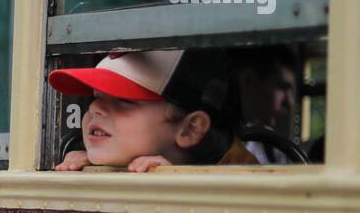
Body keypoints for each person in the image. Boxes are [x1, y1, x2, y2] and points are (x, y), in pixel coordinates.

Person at [50, 49, 257, 172]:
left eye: (125, 100)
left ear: (190, 129)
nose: (94, 108)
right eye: (96, 97)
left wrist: (175, 185)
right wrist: (96, 165)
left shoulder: (245, 184)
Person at [234, 46, 300, 164]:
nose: (290, 102)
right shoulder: (220, 142)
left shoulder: (273, 146)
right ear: (249, 80)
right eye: (282, 87)